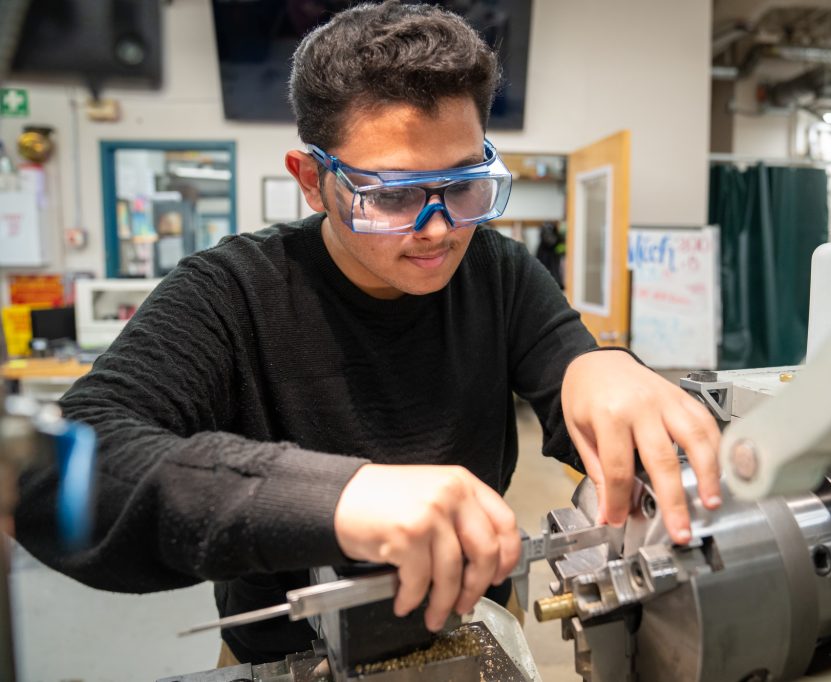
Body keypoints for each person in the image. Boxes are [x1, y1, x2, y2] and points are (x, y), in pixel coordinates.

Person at [14, 0, 721, 666]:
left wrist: (598, 367)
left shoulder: (496, 270)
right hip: (287, 658)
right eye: (392, 196)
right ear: (310, 179)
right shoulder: (229, 292)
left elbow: (570, 379)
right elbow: (64, 471)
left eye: (465, 186)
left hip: (475, 632)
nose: (439, 229)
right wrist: (336, 497)